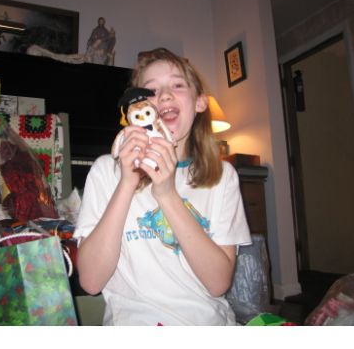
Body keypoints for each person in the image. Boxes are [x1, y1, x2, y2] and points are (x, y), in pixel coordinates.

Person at [73, 47, 251, 325]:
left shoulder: (223, 176)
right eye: (151, 90)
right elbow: (91, 282)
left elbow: (218, 284)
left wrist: (167, 194)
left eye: (178, 85)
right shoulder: (106, 171)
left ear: (200, 102)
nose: (165, 95)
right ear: (135, 108)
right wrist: (127, 183)